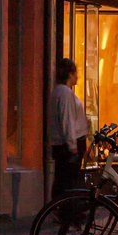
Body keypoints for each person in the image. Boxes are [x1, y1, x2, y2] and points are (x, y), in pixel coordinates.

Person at [48, 58, 90, 199]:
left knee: (63, 180)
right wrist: (73, 146)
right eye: (75, 73)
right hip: (69, 145)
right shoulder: (65, 93)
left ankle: (62, 211)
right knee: (69, 181)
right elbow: (68, 120)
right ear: (70, 74)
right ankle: (68, 212)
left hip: (62, 144)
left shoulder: (57, 92)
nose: (77, 76)